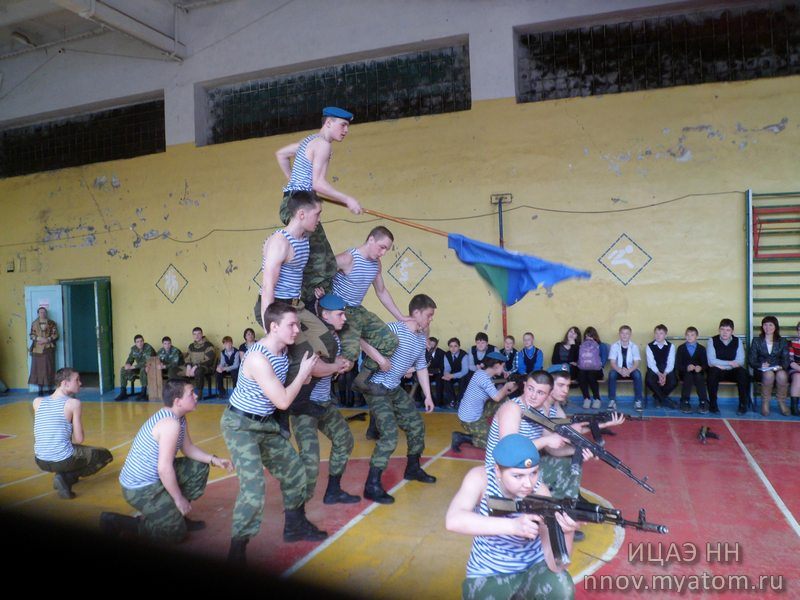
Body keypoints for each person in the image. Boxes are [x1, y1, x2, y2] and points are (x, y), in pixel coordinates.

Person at [220, 302, 321, 564]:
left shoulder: (284, 351)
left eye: (297, 324)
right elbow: (284, 401)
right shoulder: (257, 357)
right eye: (291, 325)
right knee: (254, 490)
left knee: (296, 473)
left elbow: (291, 385)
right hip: (240, 425)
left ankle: (295, 526)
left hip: (265, 424)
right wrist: (303, 374)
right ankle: (237, 551)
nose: (297, 329)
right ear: (273, 327)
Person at [101, 378, 234, 543]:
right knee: (175, 533)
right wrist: (179, 499)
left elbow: (188, 448)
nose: (196, 396)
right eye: (191, 393)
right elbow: (163, 469)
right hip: (140, 488)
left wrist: (214, 460)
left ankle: (176, 514)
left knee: (200, 466)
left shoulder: (179, 417)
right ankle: (119, 522)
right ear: (177, 401)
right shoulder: (170, 423)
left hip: (155, 477)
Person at [446, 433, 577, 600]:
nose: (528, 483)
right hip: (489, 571)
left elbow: (556, 565)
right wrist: (514, 526)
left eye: (534, 473)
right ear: (498, 471)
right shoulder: (480, 478)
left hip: (533, 568)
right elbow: (453, 520)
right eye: (518, 476)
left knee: (562, 590)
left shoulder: (539, 491)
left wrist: (567, 531)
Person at [275, 106, 363, 307]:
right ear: (328, 123)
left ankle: (312, 296)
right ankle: (311, 301)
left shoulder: (308, 141)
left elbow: (281, 154)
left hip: (293, 204)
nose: (346, 130)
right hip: (300, 208)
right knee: (323, 261)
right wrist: (348, 199)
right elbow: (318, 184)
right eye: (343, 125)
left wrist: (294, 184)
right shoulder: (323, 145)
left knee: (314, 256)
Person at [360, 294, 438, 504]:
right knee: (389, 435)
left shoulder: (421, 339)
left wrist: (428, 396)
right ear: (416, 313)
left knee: (416, 426)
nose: (431, 320)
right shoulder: (394, 329)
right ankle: (372, 485)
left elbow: (421, 366)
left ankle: (413, 469)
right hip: (376, 386)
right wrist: (379, 359)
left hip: (393, 388)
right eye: (429, 315)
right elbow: (362, 339)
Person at [288, 294, 360, 505]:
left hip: (323, 403)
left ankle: (333, 491)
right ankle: (296, 512)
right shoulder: (309, 334)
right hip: (304, 406)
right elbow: (316, 368)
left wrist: (345, 363)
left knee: (344, 440)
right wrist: (337, 366)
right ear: (325, 315)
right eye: (340, 314)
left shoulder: (333, 337)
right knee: (310, 460)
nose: (344, 318)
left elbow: (335, 361)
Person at [255, 190, 330, 358]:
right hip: (276, 307)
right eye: (317, 214)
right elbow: (268, 287)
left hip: (296, 306)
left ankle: (311, 377)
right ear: (301, 214)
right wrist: (271, 328)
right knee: (303, 356)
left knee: (328, 345)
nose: (319, 220)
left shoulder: (304, 239)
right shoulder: (280, 243)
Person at [332, 226, 403, 392]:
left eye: (387, 249)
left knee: (390, 342)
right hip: (341, 309)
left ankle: (362, 379)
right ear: (371, 240)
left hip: (357, 309)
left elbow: (381, 291)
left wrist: (401, 317)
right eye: (382, 247)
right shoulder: (347, 258)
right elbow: (320, 275)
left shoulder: (376, 264)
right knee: (349, 357)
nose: (383, 252)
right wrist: (319, 293)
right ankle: (325, 387)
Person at [33, 368, 112, 499]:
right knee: (105, 455)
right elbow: (79, 439)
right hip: (63, 459)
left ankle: (62, 475)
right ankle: (66, 477)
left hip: (40, 460)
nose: (80, 383)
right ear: (65, 383)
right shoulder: (73, 403)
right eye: (77, 380)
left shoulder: (37, 402)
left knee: (66, 450)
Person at [452, 352, 518, 452]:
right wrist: (506, 386)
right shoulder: (483, 378)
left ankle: (507, 425)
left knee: (506, 401)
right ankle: (462, 437)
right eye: (502, 367)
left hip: (476, 410)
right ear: (496, 366)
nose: (503, 369)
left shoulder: (482, 374)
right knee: (494, 444)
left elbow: (498, 395)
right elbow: (497, 397)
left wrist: (512, 387)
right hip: (470, 419)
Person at [706, 318, 750, 415]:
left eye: (728, 330)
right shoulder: (711, 340)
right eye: (722, 329)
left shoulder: (737, 341)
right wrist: (730, 363)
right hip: (718, 371)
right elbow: (711, 361)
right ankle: (713, 405)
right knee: (712, 372)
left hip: (732, 371)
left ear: (732, 331)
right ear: (719, 330)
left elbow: (740, 361)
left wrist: (721, 364)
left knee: (743, 373)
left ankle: (743, 404)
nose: (724, 332)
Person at [748, 315, 790, 416]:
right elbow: (751, 360)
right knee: (769, 374)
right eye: (765, 325)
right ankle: (765, 403)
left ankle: (781, 402)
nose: (768, 327)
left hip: (778, 368)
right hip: (761, 370)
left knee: (782, 375)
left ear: (775, 327)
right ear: (762, 327)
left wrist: (781, 366)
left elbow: (786, 359)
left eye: (770, 325)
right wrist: (761, 365)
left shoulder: (782, 341)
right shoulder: (756, 341)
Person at [607, 325, 643, 411]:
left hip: (631, 370)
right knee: (611, 374)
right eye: (622, 333)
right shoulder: (614, 346)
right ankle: (612, 400)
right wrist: (620, 370)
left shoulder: (634, 346)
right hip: (618, 370)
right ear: (619, 334)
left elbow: (636, 363)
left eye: (627, 333)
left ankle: (638, 401)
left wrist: (628, 371)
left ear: (630, 335)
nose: (624, 335)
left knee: (638, 374)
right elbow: (612, 362)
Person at [675, 326, 709, 414]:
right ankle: (685, 401)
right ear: (685, 336)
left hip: (698, 373)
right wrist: (686, 368)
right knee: (688, 376)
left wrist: (700, 368)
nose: (689, 337)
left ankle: (703, 402)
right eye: (687, 335)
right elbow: (678, 365)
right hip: (685, 373)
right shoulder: (681, 348)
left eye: (692, 335)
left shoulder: (701, 349)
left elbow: (705, 364)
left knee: (698, 377)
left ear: (696, 336)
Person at [645, 324, 677, 409]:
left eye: (661, 333)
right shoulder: (649, 346)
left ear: (665, 335)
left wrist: (665, 374)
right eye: (656, 333)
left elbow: (671, 362)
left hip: (666, 369)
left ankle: (657, 397)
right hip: (654, 369)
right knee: (649, 381)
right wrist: (659, 374)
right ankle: (664, 400)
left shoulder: (671, 346)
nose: (658, 335)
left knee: (673, 381)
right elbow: (651, 363)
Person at [115, 334, 156, 401]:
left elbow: (147, 361)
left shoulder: (148, 347)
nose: (140, 343)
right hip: (139, 367)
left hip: (150, 367)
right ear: (135, 343)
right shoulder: (133, 349)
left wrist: (134, 366)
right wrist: (127, 364)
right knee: (123, 369)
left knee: (143, 369)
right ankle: (123, 392)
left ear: (143, 341)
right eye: (137, 342)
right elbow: (130, 359)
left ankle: (143, 393)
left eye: (141, 341)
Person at [28, 306, 58, 394]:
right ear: (38, 314)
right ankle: (40, 389)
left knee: (49, 368)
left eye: (44, 312)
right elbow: (31, 335)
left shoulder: (52, 323)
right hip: (37, 350)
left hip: (48, 348)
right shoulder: (34, 323)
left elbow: (56, 334)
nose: (42, 314)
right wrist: (38, 339)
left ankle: (49, 388)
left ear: (46, 313)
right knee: (37, 369)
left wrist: (47, 339)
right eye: (41, 312)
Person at [576, 326, 605, 409]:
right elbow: (580, 358)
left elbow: (603, 359)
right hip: (584, 369)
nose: (588, 338)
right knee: (581, 375)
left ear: (595, 336)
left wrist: (595, 365)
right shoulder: (583, 346)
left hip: (598, 370)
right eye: (586, 336)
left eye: (591, 336)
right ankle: (586, 398)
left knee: (591, 375)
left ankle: (597, 399)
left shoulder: (601, 345)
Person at [185, 327, 217, 400]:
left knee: (198, 371)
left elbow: (209, 360)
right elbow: (187, 357)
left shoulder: (208, 345)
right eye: (194, 334)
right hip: (193, 367)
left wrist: (196, 366)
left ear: (202, 334)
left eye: (199, 334)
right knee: (175, 370)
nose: (196, 336)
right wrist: (188, 366)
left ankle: (199, 393)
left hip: (206, 367)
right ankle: (182, 392)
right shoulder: (191, 346)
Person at [442, 337, 472, 409]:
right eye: (451, 346)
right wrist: (446, 374)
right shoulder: (447, 355)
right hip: (452, 375)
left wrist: (452, 376)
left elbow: (464, 371)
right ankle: (452, 400)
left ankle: (459, 400)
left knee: (464, 380)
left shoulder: (464, 355)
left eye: (455, 346)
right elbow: (447, 367)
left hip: (461, 375)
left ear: (459, 346)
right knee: (446, 380)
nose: (453, 348)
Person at [426, 336, 446, 406]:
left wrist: (433, 371)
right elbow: (421, 366)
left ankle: (439, 402)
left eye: (433, 345)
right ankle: (429, 400)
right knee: (422, 380)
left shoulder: (442, 353)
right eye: (429, 344)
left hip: (438, 374)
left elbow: (443, 367)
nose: (431, 347)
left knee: (440, 381)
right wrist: (427, 372)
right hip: (427, 373)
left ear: (436, 346)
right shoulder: (422, 352)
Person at [790, 321, 800, 416]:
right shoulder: (793, 343)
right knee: (798, 377)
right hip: (796, 368)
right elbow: (790, 361)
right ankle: (794, 407)